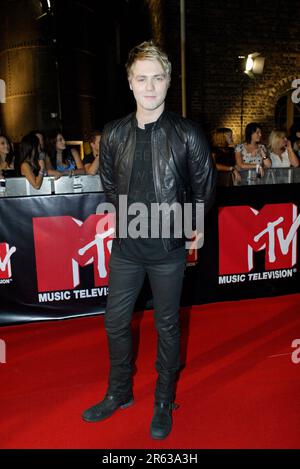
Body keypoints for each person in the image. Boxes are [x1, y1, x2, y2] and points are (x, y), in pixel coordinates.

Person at [82, 40, 216, 440]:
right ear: (130, 81)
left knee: (168, 326)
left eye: (158, 78)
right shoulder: (114, 133)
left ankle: (162, 398)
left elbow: (204, 186)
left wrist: (194, 223)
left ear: (169, 80)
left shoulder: (187, 133)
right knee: (115, 323)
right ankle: (119, 392)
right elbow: (108, 183)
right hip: (127, 246)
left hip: (167, 250)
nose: (150, 87)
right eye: (142, 78)